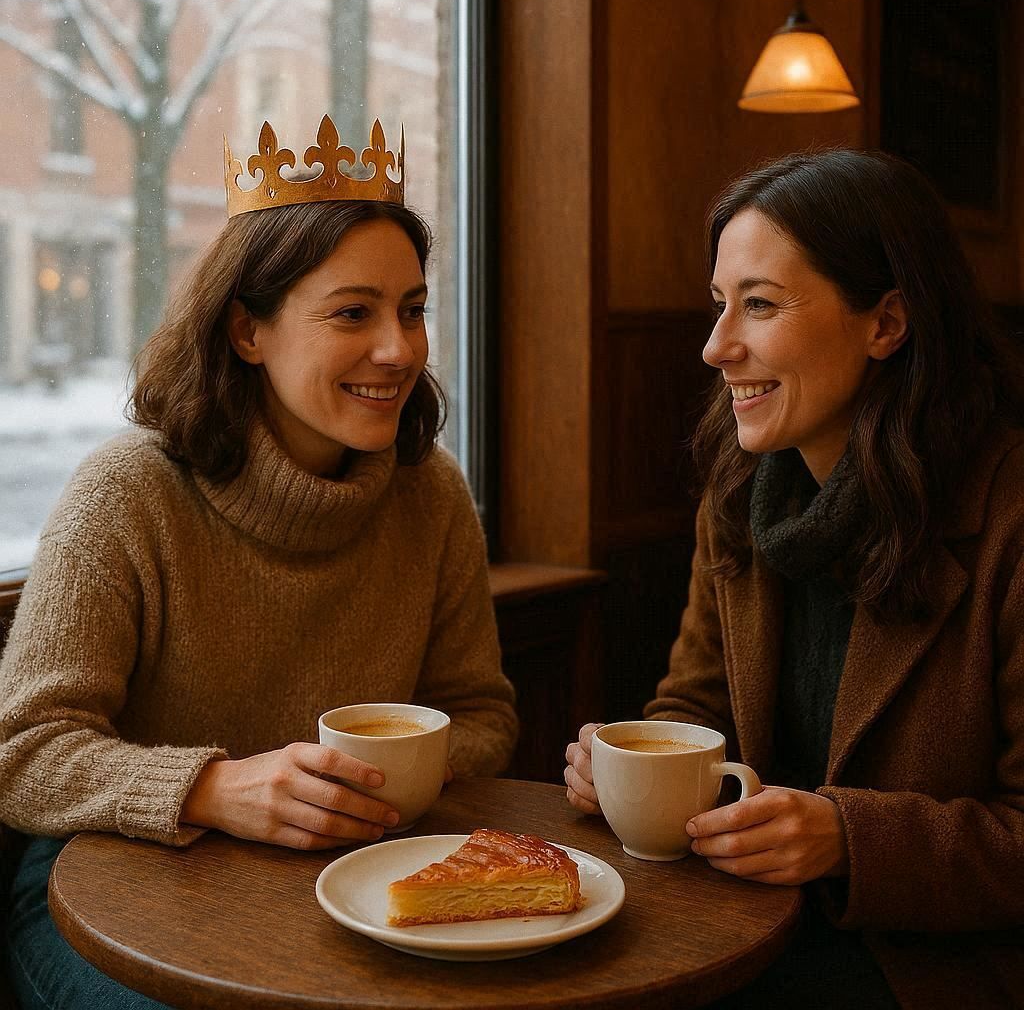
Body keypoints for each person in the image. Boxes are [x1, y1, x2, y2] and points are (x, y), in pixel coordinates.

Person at [0, 115, 517, 1010]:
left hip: (344, 885)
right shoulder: (127, 493)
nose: (399, 350)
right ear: (248, 331)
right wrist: (212, 789)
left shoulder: (429, 494)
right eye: (353, 313)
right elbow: (23, 753)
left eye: (413, 310)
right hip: (105, 893)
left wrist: (371, 784)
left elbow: (481, 715)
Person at [565, 149, 1024, 1009]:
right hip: (741, 921)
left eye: (761, 304)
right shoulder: (740, 495)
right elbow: (695, 706)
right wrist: (631, 765)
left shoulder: (1008, 518)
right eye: (719, 304)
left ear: (886, 323)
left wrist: (851, 839)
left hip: (930, 967)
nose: (715, 347)